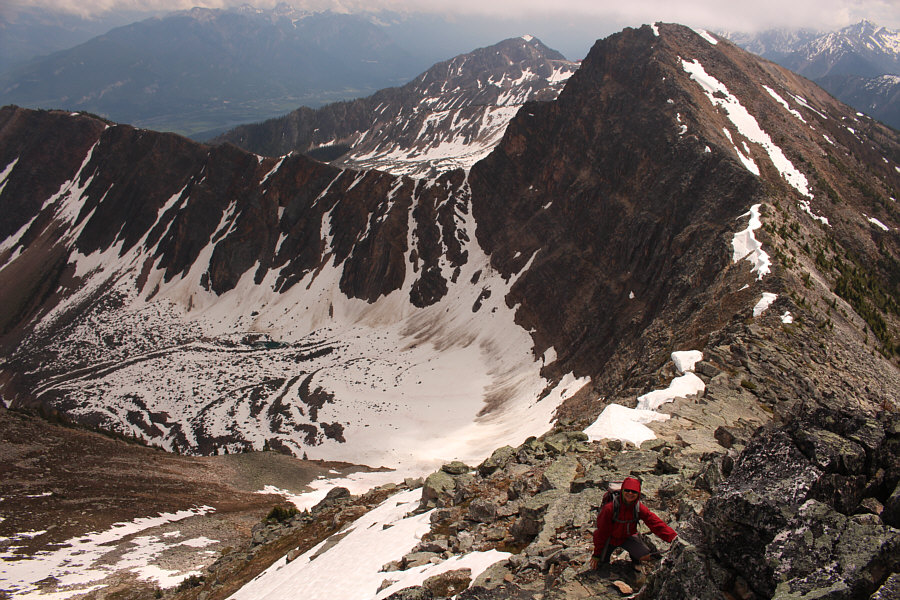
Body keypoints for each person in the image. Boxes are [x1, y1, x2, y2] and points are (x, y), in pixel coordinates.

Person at [590, 476, 677, 571]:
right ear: (622, 491)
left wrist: (673, 538)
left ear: (638, 494)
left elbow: (655, 523)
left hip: (627, 537)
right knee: (601, 564)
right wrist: (596, 554)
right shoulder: (610, 508)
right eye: (627, 490)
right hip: (609, 539)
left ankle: (635, 561)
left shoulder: (638, 508)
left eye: (634, 492)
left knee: (644, 555)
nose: (630, 493)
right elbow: (601, 532)